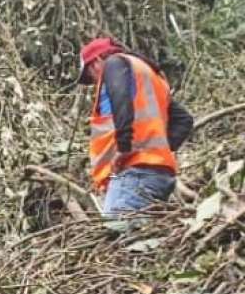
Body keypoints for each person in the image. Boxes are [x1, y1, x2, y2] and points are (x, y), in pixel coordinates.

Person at [78, 37, 194, 217]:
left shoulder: (114, 64)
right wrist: (158, 150)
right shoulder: (149, 75)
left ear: (96, 61)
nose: (95, 81)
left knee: (118, 234)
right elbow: (184, 120)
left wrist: (124, 147)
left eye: (91, 75)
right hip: (155, 173)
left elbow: (121, 100)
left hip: (133, 172)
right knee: (137, 238)